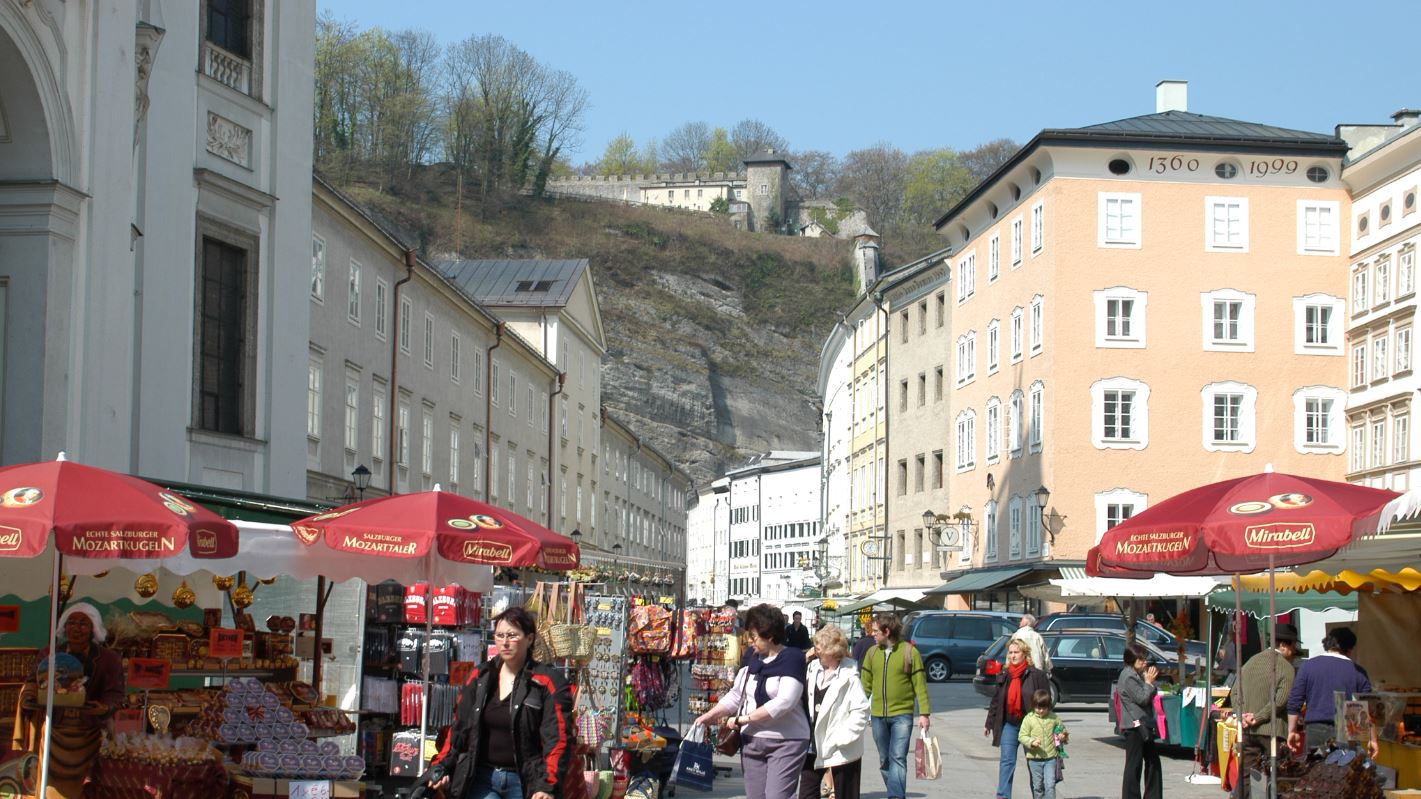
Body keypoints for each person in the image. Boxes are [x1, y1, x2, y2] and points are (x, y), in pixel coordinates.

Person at [429, 606, 577, 799]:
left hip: (525, 781)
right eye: (499, 635)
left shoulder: (547, 682)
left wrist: (547, 785)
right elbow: (459, 729)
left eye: (512, 635)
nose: (505, 642)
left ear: (529, 639)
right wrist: (441, 766)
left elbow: (558, 740)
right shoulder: (479, 677)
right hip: (482, 778)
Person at [693, 603, 810, 799]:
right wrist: (709, 715)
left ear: (770, 635)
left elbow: (785, 702)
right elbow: (736, 695)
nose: (749, 641)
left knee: (777, 796)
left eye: (753, 636)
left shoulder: (792, 658)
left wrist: (744, 719)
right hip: (752, 741)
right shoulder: (752, 658)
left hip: (787, 741)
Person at [15, 603, 125, 799]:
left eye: (83, 623)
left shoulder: (109, 659)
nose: (76, 628)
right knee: (46, 786)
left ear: (93, 629)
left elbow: (115, 693)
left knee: (86, 788)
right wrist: (29, 695)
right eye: (71, 622)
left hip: (89, 733)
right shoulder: (49, 654)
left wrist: (104, 707)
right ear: (64, 627)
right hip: (52, 730)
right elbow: (32, 681)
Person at [860, 613, 931, 799]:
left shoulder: (909, 652)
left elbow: (920, 685)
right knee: (885, 760)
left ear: (887, 631)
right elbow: (864, 685)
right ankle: (895, 789)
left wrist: (924, 713)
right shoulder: (872, 653)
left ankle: (895, 796)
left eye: (876, 631)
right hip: (877, 715)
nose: (872, 635)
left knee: (898, 758)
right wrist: (857, 711)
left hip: (902, 715)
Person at [797, 626, 870, 799]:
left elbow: (861, 710)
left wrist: (843, 738)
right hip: (813, 744)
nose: (816, 649)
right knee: (807, 792)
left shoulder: (849, 676)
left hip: (842, 747)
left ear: (832, 650)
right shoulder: (812, 668)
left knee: (846, 794)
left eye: (820, 646)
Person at [1230, 623, 1299, 799]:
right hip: (1272, 731)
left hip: (1248, 729)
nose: (1294, 651)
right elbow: (1280, 700)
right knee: (1277, 775)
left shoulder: (1251, 661)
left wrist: (1242, 716)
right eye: (1293, 646)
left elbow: (1235, 692)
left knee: (1246, 776)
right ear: (1283, 645)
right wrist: (1258, 717)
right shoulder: (1285, 667)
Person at [1286, 627, 1377, 755]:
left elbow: (1294, 702)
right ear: (1350, 648)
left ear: (1327, 644)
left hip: (1315, 729)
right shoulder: (1358, 672)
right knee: (1344, 773)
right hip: (1348, 730)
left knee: (1315, 771)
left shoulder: (1307, 667)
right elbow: (1368, 709)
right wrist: (1373, 739)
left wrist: (1292, 731)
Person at [985, 638, 1050, 799]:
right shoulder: (1005, 675)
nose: (1012, 656)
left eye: (1016, 652)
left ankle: (1039, 795)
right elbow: (996, 700)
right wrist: (989, 722)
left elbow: (1046, 701)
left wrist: (1047, 724)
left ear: (1025, 653)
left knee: (1035, 764)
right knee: (1007, 761)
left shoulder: (1036, 675)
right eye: (1011, 652)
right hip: (1010, 724)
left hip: (1032, 726)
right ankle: (1003, 796)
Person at [1117, 642, 1162, 799]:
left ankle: (1153, 795)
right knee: (1134, 765)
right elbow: (1142, 698)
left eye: (1145, 659)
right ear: (1131, 660)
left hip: (1143, 722)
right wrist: (1148, 683)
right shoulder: (1128, 676)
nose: (1145, 662)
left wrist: (1149, 683)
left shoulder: (1136, 674)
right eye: (1141, 659)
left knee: (1153, 761)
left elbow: (1148, 694)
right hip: (1134, 725)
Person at [1019, 689, 1068, 799]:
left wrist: (1063, 736)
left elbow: (1062, 730)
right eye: (1038, 708)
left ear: (1048, 706)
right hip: (1034, 759)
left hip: (1050, 758)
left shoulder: (1054, 717)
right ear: (1033, 706)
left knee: (1050, 785)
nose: (1040, 711)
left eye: (1043, 708)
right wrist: (1031, 742)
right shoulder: (1029, 719)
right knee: (1038, 787)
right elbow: (1022, 736)